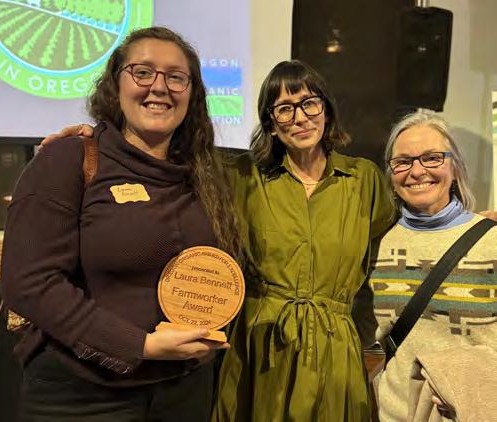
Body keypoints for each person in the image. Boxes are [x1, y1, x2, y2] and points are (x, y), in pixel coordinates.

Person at [40, 60, 394, 420]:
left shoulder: (363, 179)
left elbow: (378, 261)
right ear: (271, 124)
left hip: (335, 349)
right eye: (284, 109)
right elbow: (165, 154)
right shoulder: (241, 176)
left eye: (309, 103)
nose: (299, 118)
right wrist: (99, 140)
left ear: (326, 110)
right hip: (259, 347)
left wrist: (365, 339)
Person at [0, 27, 239, 421]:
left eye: (176, 77)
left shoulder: (205, 175)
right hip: (83, 397)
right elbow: (29, 284)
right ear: (116, 84)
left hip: (184, 393)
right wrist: (140, 345)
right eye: (142, 72)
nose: (159, 87)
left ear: (192, 92)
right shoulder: (67, 160)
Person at [370, 110, 497, 421]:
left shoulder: (491, 241)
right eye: (403, 161)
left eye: (431, 158)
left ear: (455, 168)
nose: (417, 171)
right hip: (395, 415)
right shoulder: (377, 244)